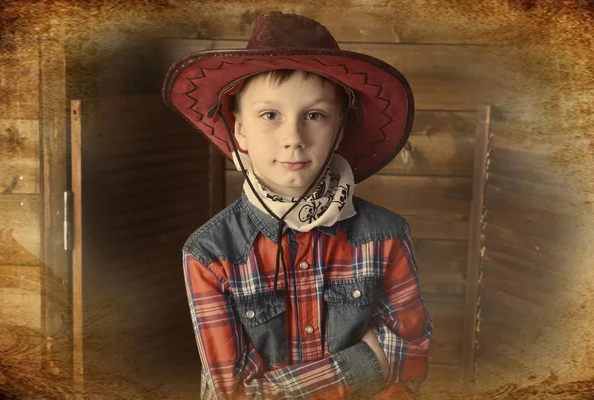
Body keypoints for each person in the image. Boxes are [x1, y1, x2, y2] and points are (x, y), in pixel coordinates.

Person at [163, 11, 434, 399]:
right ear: (239, 129)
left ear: (339, 130)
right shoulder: (210, 254)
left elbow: (410, 357)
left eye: (315, 115)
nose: (294, 137)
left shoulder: (387, 235)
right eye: (270, 114)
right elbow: (234, 393)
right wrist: (369, 361)